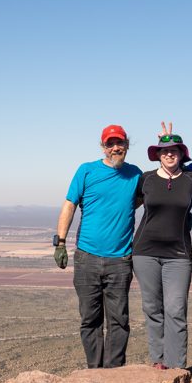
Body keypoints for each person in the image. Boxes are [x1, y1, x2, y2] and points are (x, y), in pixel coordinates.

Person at [54, 124, 141, 368]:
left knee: (119, 321)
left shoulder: (135, 175)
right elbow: (70, 205)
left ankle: (113, 372)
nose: (115, 148)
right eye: (110, 143)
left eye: (120, 143)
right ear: (103, 147)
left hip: (120, 260)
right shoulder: (87, 171)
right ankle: (95, 371)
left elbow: (152, 199)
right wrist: (60, 242)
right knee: (90, 319)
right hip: (87, 258)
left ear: (126, 145)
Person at [132, 131, 192, 370]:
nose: (169, 153)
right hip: (144, 252)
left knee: (175, 309)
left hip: (178, 255)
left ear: (182, 154)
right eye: (165, 150)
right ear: (158, 155)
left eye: (175, 150)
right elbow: (128, 207)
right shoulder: (147, 179)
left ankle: (177, 365)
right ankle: (158, 361)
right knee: (152, 307)